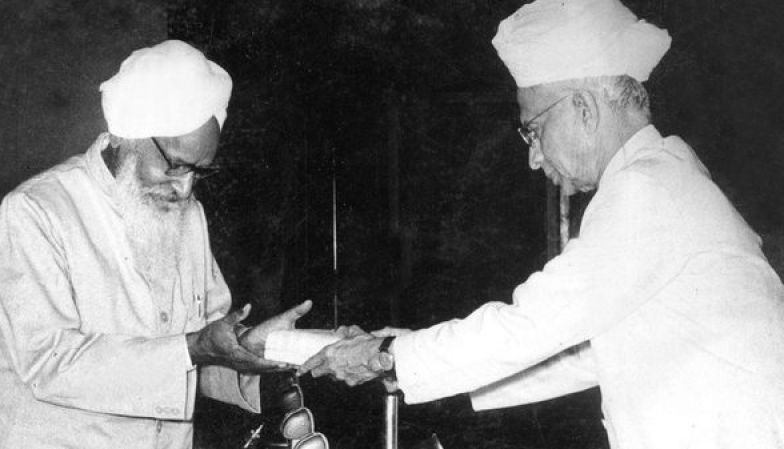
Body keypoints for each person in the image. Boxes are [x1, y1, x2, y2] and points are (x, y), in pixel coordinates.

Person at [298, 0, 784, 447]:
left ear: (583, 108)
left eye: (533, 129)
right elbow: (581, 356)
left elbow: (531, 325)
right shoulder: (666, 176)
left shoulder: (647, 188)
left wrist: (387, 354)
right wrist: (401, 352)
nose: (533, 158)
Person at [0, 40, 311, 449]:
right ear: (126, 135)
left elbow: (204, 347)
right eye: (175, 165)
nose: (185, 187)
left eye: (199, 172)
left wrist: (255, 348)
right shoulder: (37, 212)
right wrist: (195, 348)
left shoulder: (188, 216)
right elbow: (49, 363)